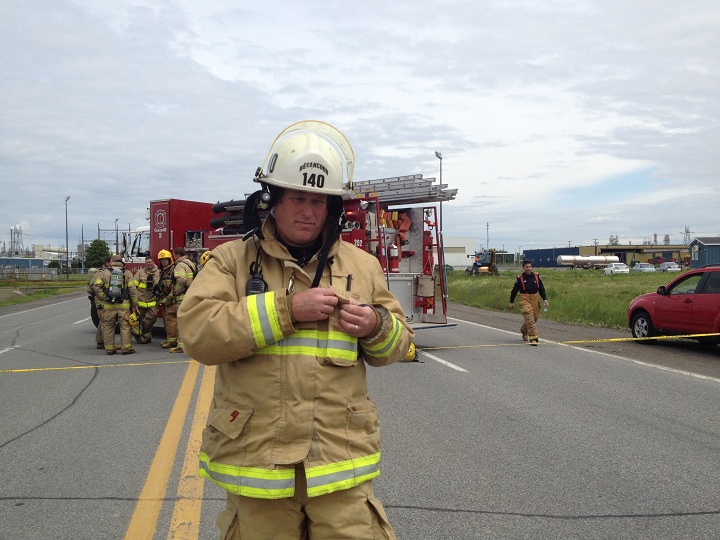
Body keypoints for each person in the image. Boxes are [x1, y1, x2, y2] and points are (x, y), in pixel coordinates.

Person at [178, 120, 414, 539]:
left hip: (339, 462)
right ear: (272, 201)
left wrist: (376, 326)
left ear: (333, 209)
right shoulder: (231, 262)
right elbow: (196, 332)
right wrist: (287, 310)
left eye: (319, 202)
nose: (308, 211)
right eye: (298, 198)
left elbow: (399, 345)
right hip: (258, 464)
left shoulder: (363, 267)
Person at [92, 254, 138, 355]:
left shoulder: (104, 273)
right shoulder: (127, 273)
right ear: (122, 261)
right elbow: (132, 290)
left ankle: (109, 348)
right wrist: (135, 304)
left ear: (112, 261)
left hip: (108, 305)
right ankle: (126, 348)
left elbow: (96, 287)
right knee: (125, 326)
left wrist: (104, 297)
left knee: (108, 326)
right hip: (124, 305)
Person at [164, 247, 197, 354]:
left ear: (177, 255)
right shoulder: (191, 264)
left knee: (181, 322)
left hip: (182, 297)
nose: (173, 257)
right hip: (191, 296)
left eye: (174, 255)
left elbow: (181, 279)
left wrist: (174, 293)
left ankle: (181, 346)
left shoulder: (180, 265)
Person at [508, 259, 549, 345]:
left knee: (534, 318)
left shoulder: (537, 276)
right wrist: (511, 302)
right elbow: (514, 291)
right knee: (529, 318)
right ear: (523, 268)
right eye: (526, 267)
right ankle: (533, 338)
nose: (528, 268)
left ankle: (524, 330)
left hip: (535, 298)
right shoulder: (520, 278)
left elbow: (541, 289)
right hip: (524, 299)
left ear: (532, 267)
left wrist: (545, 299)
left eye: (529, 266)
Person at [132, 256, 161, 344]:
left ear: (153, 263)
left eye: (150, 262)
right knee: (141, 318)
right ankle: (146, 337)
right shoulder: (140, 272)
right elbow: (134, 285)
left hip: (152, 300)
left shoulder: (158, 272)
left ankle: (137, 331)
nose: (148, 264)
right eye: (147, 262)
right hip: (141, 300)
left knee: (151, 318)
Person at [88, 255, 112, 349]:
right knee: (104, 321)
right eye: (111, 262)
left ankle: (101, 342)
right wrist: (103, 297)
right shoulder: (100, 273)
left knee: (104, 321)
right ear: (107, 263)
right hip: (100, 301)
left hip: (102, 300)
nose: (113, 264)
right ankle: (100, 342)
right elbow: (94, 286)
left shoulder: (109, 272)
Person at [156, 249, 176, 349]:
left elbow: (175, 286)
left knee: (170, 321)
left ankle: (172, 341)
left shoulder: (173, 270)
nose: (163, 261)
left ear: (170, 259)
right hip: (165, 299)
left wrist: (169, 298)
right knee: (166, 320)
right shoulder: (163, 271)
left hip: (171, 300)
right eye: (161, 260)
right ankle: (170, 339)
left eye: (165, 259)